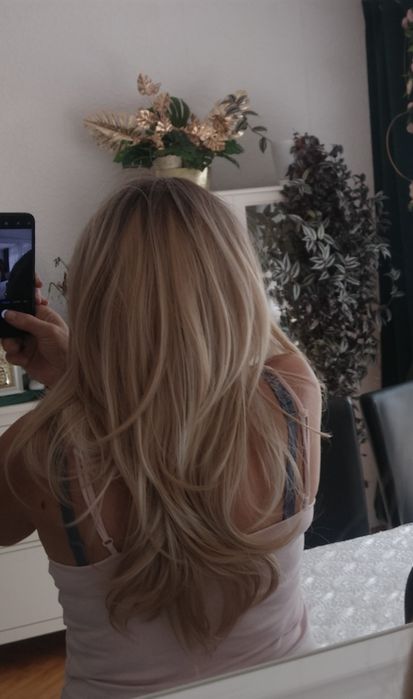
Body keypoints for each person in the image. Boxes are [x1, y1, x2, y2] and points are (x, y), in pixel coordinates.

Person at [0, 177, 321, 699]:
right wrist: (79, 376)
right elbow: (177, 412)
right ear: (236, 282)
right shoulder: (293, 394)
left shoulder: (39, 450)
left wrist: (77, 378)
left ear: (94, 298)